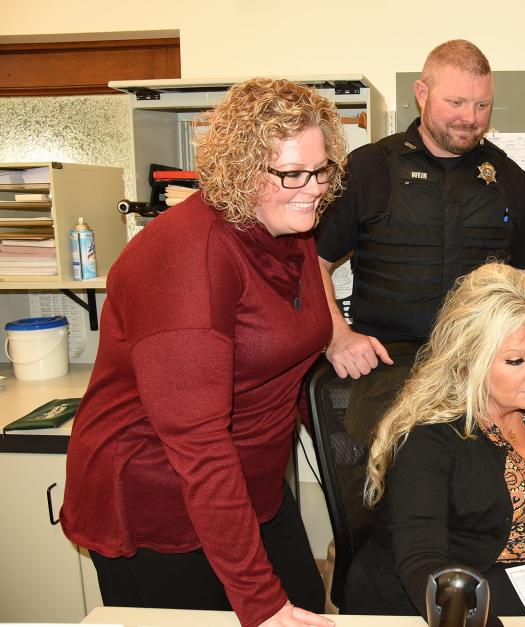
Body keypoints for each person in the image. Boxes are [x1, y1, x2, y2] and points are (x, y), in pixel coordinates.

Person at [60, 78, 347, 627]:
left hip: (252, 487)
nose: (313, 188)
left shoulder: (287, 226)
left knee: (310, 601)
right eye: (291, 173)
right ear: (239, 170)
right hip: (159, 500)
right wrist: (260, 604)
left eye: (322, 168)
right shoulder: (186, 258)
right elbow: (198, 444)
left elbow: (284, 354)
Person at [344, 263, 525, 625]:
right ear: (470, 359)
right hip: (459, 601)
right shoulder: (429, 439)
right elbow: (422, 562)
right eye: (515, 360)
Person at [315, 39, 525, 380]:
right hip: (386, 373)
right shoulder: (370, 168)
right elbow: (313, 261)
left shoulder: (510, 178)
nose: (470, 118)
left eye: (482, 104)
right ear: (422, 93)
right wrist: (337, 335)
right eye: (456, 102)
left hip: (479, 377)